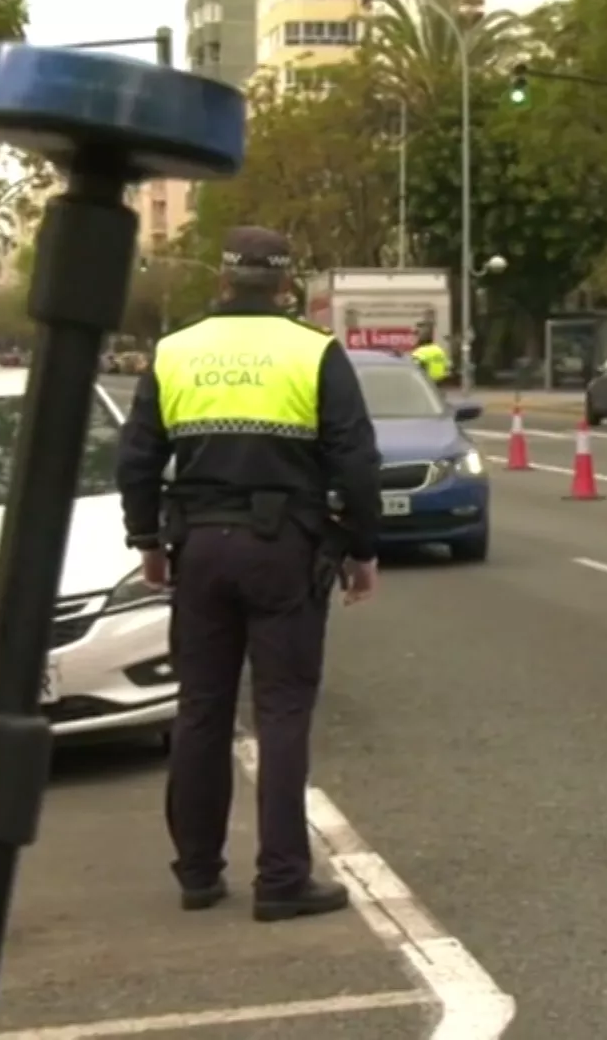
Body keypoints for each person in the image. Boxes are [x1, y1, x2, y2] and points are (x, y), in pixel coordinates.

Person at [116, 225, 384, 919]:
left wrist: (146, 539)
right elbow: (356, 460)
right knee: (283, 711)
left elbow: (138, 459)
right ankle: (282, 878)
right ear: (287, 285)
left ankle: (198, 873)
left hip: (200, 549)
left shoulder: (174, 353)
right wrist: (361, 548)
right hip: (284, 551)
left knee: (202, 709)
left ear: (224, 281)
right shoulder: (315, 352)